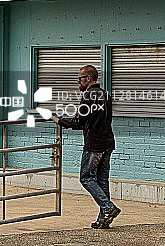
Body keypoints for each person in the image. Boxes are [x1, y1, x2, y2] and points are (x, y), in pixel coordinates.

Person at [50, 65, 120, 229]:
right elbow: (95, 121)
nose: (78, 81)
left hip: (94, 144)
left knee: (86, 178)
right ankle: (104, 219)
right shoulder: (105, 95)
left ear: (88, 78)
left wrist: (59, 120)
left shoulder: (88, 95)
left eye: (80, 78)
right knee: (102, 181)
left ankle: (107, 207)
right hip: (108, 143)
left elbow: (78, 121)